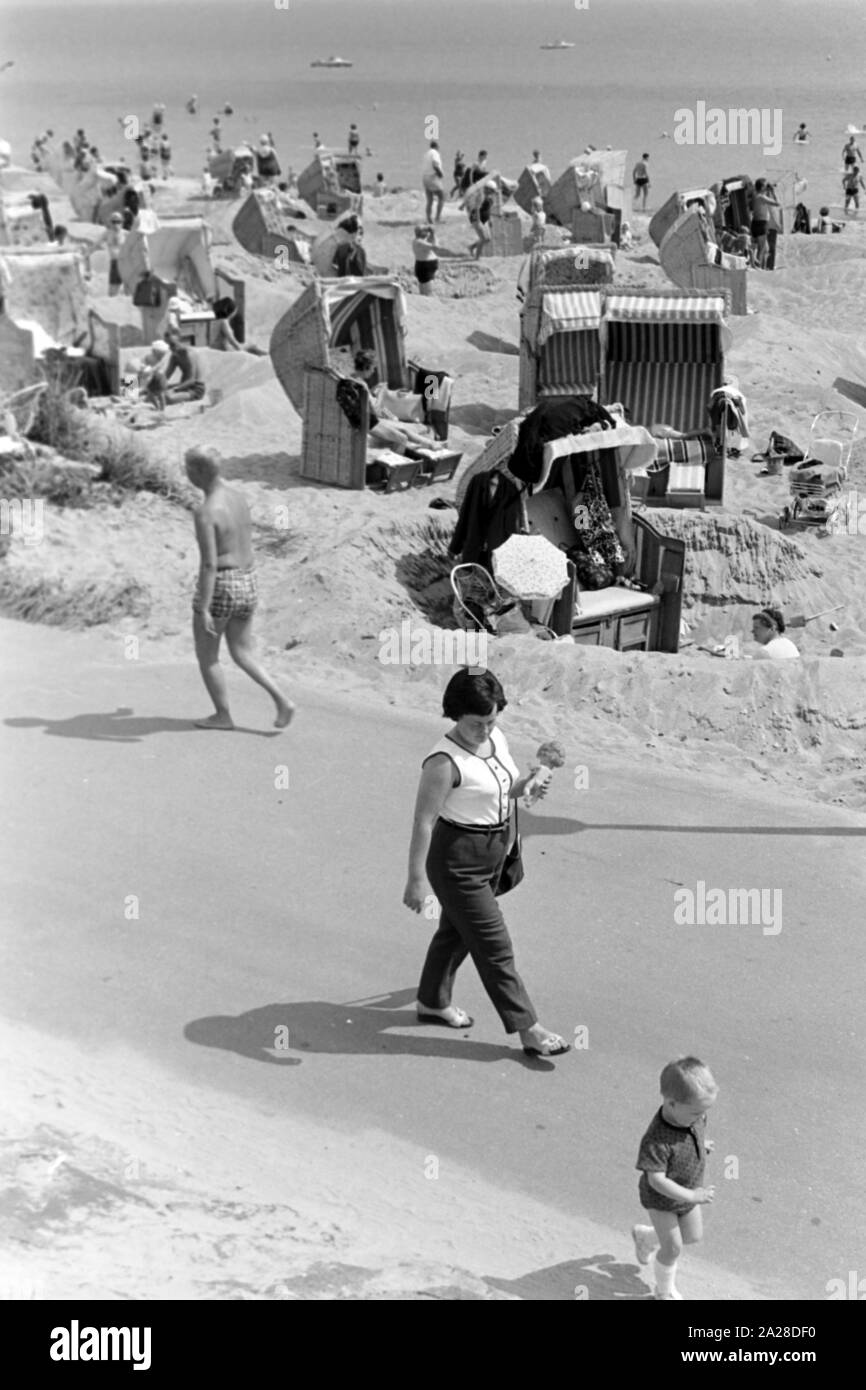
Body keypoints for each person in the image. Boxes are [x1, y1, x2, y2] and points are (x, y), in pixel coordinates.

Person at [403, 669, 570, 1058]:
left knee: (457, 932)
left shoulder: (496, 737)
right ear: (455, 714)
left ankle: (431, 1001)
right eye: (477, 723)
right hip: (456, 860)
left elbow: (503, 789)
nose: (485, 730)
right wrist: (414, 880)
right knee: (495, 945)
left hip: (495, 850)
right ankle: (529, 1028)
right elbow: (423, 821)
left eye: (492, 720)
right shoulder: (442, 762)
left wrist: (527, 784)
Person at [185, 447, 294, 732]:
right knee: (243, 652)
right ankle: (282, 700)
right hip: (248, 578)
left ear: (198, 473)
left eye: (187, 468)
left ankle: (223, 715)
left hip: (221, 583)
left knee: (208, 656)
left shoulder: (205, 511)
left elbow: (209, 564)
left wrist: (204, 607)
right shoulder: (239, 498)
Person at [632, 1057, 718, 1300]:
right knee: (672, 1248)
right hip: (661, 1198)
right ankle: (664, 1292)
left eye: (705, 1111)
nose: (701, 1116)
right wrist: (692, 1196)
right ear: (671, 1103)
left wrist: (701, 1143)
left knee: (692, 1236)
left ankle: (646, 1238)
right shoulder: (657, 1140)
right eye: (697, 1112)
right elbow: (656, 1180)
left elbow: (694, 1130)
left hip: (688, 1185)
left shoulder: (692, 1115)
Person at [351, 348, 433, 451]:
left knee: (403, 428)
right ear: (366, 367)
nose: (373, 371)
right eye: (372, 368)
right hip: (371, 423)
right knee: (403, 431)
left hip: (368, 421)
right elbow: (375, 409)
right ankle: (428, 445)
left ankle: (429, 444)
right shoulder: (361, 385)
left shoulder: (350, 380)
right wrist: (390, 416)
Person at [143, 328, 205, 408]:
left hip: (195, 389)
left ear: (180, 340)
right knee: (153, 391)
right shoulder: (174, 356)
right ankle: (136, 393)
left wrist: (174, 389)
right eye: (168, 345)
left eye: (172, 344)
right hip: (183, 386)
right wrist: (153, 386)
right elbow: (166, 376)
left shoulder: (189, 354)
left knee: (167, 397)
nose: (171, 348)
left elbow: (191, 380)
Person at [750, 178, 781, 268]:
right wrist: (772, 192)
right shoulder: (761, 197)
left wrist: (768, 189)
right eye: (765, 185)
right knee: (762, 249)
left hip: (756, 223)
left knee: (766, 249)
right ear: (762, 187)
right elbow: (777, 203)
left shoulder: (756, 195)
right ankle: (758, 268)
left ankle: (760, 267)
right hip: (761, 224)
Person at [421, 139, 445, 223]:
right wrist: (440, 174)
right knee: (442, 197)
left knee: (430, 200)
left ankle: (429, 219)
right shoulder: (435, 153)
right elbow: (435, 165)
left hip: (425, 177)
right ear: (436, 146)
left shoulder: (426, 154)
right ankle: (437, 218)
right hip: (432, 177)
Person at [467, 182, 494, 260]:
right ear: (487, 189)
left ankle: (471, 247)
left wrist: (489, 219)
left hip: (484, 220)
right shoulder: (481, 196)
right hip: (477, 218)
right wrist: (478, 221)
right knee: (483, 239)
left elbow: (488, 209)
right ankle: (476, 258)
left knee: (488, 239)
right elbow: (477, 209)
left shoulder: (489, 197)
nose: (493, 192)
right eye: (492, 190)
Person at [412, 223, 439, 294]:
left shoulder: (418, 240)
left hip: (422, 265)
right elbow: (436, 247)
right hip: (426, 267)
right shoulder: (419, 242)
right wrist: (434, 234)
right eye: (425, 231)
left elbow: (431, 241)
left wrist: (432, 234)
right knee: (428, 291)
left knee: (423, 288)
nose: (427, 232)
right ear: (421, 233)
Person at [105, 211, 125, 296]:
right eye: (114, 221)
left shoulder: (126, 233)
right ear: (110, 222)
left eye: (118, 221)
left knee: (124, 288)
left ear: (122, 222)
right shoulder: (107, 233)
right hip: (113, 262)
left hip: (124, 262)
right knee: (113, 289)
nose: (116, 224)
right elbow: (95, 245)